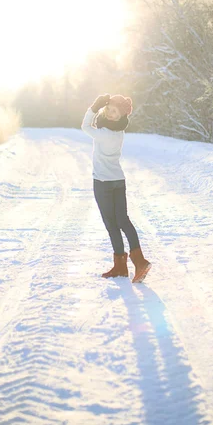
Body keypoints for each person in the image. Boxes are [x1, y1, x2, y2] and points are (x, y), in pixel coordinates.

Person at [81, 93, 151, 283]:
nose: (111, 114)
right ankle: (137, 262)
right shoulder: (119, 132)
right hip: (118, 181)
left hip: (103, 183)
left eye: (116, 113)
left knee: (112, 223)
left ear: (122, 117)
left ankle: (123, 265)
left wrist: (94, 107)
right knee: (123, 220)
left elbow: (85, 126)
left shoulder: (103, 133)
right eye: (109, 110)